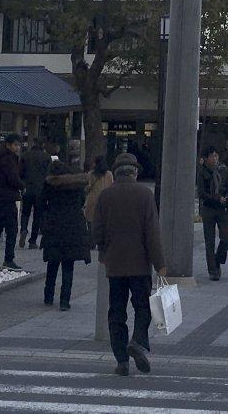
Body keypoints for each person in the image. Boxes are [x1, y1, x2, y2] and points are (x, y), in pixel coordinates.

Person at [93, 153, 165, 377]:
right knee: (143, 307)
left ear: (116, 172)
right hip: (140, 264)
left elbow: (97, 231)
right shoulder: (145, 195)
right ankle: (137, 340)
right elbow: (152, 233)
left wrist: (105, 252)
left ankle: (121, 360)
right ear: (135, 172)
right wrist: (160, 263)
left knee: (116, 311)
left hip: (114, 264)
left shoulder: (106, 196)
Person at [38, 161, 91, 310]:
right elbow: (81, 202)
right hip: (73, 226)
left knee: (53, 263)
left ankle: (48, 296)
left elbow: (41, 202)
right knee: (68, 265)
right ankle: (64, 300)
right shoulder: (76, 185)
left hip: (54, 225)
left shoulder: (49, 184)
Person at [0, 134, 25, 271]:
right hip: (7, 197)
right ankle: (8, 259)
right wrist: (23, 185)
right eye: (15, 145)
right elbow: (13, 179)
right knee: (12, 229)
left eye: (19, 145)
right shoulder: (9, 159)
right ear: (8, 145)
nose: (18, 147)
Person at [196, 146, 228, 281]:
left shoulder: (223, 170)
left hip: (222, 208)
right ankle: (213, 270)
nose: (215, 158)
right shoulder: (202, 172)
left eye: (216, 155)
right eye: (212, 156)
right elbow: (201, 193)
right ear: (206, 159)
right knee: (209, 241)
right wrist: (217, 198)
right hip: (209, 208)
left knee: (225, 238)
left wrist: (227, 197)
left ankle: (218, 260)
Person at [19, 139, 52, 249]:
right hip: (40, 190)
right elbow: (48, 175)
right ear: (42, 145)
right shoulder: (47, 157)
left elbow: (20, 173)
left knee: (25, 212)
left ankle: (23, 229)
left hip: (27, 188)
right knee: (37, 216)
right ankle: (32, 241)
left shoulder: (25, 155)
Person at [83, 155, 114, 232]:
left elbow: (87, 188)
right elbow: (111, 187)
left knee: (92, 224)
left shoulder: (91, 174)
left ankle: (92, 241)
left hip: (92, 200)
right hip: (105, 200)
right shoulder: (109, 174)